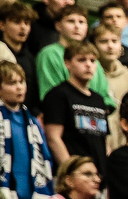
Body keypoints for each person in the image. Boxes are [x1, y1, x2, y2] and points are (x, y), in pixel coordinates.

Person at [0, 61, 54, 199]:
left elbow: (45, 157)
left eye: (21, 82)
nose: (19, 87)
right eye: (12, 83)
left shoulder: (32, 122)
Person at [40, 41, 112, 172]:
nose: (88, 65)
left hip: (99, 175)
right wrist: (71, 171)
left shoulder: (99, 99)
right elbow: (53, 138)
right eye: (81, 60)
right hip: (73, 173)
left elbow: (104, 142)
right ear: (67, 63)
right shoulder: (58, 95)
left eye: (92, 60)